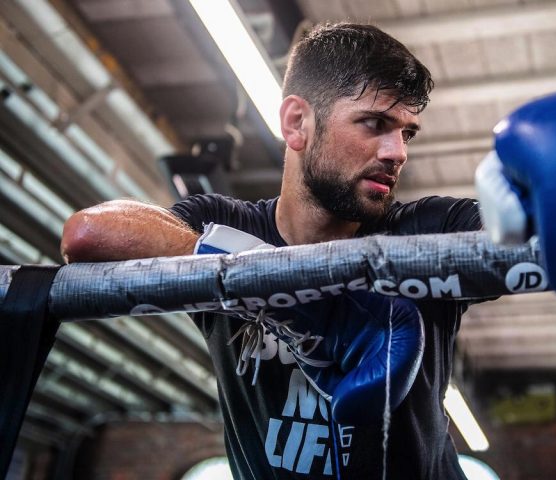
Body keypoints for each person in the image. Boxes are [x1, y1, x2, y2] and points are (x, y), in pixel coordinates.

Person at [61, 23, 481, 479]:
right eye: (375, 123)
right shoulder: (225, 224)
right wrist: (291, 299)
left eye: (407, 134)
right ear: (297, 122)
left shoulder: (429, 230)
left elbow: (528, 239)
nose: (397, 152)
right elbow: (88, 234)